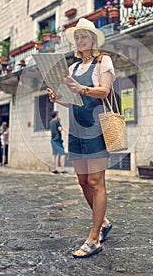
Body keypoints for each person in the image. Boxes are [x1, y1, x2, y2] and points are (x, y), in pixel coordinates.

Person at [47, 18, 115, 258]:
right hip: (76, 129)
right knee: (83, 181)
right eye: (77, 37)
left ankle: (94, 238)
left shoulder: (103, 61)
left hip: (96, 128)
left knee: (97, 182)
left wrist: (82, 89)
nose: (80, 40)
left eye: (84, 36)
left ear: (93, 39)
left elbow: (104, 91)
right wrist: (58, 97)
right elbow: (71, 98)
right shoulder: (74, 68)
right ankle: (104, 222)